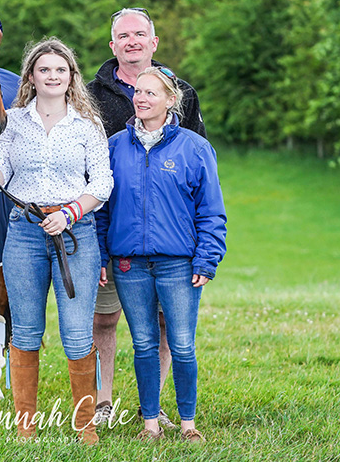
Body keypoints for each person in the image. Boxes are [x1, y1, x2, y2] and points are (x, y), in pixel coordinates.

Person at [0, 37, 113, 445]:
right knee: (26, 331)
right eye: (44, 69)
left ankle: (85, 427)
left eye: (60, 70)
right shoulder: (12, 122)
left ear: (71, 76)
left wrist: (69, 213)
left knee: (77, 333)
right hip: (25, 232)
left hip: (75, 234)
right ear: (31, 76)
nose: (52, 76)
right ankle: (25, 427)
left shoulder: (88, 125)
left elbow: (102, 183)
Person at [87, 7, 206, 428]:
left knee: (164, 324)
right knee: (104, 318)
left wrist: (199, 243)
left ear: (154, 42)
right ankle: (103, 401)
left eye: (140, 34)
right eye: (124, 35)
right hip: (112, 233)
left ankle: (149, 406)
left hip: (168, 239)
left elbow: (197, 166)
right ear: (113, 45)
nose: (132, 41)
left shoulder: (182, 92)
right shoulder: (90, 95)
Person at [96, 66, 226, 442]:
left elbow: (211, 211)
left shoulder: (194, 148)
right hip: (129, 265)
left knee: (182, 345)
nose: (141, 98)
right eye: (138, 91)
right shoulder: (115, 147)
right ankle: (150, 424)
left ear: (171, 100)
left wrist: (206, 259)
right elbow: (102, 209)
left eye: (151, 93)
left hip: (178, 265)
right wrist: (102, 255)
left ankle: (188, 424)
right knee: (144, 345)